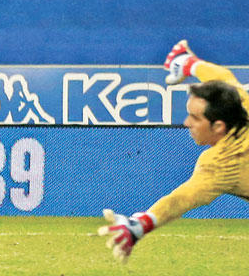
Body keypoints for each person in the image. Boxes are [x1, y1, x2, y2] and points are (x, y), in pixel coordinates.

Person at [100, 41, 249, 263]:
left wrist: (140, 226)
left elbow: (183, 199)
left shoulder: (222, 165)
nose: (187, 123)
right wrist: (188, 63)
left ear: (218, 126)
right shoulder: (239, 101)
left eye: (195, 118)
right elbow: (221, 75)